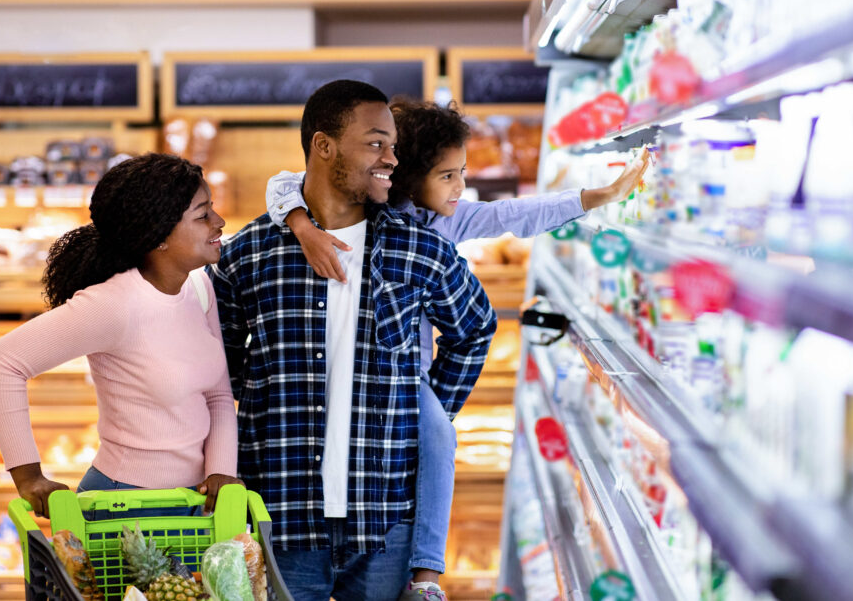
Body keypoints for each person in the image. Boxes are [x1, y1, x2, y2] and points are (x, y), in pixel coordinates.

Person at [265, 98, 649, 599]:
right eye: (448, 176)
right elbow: (281, 184)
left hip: (407, 379)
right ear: (407, 174)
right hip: (338, 373)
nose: (460, 187)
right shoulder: (364, 203)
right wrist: (301, 225)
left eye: (461, 174)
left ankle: (425, 571)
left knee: (440, 438)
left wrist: (596, 197)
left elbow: (514, 214)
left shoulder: (448, 222)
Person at [211, 80, 497, 601]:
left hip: (384, 524)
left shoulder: (419, 251)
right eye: (375, 143)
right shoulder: (249, 256)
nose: (392, 157)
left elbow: (475, 328)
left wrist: (428, 408)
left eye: (392, 144)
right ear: (324, 146)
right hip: (282, 520)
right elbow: (219, 369)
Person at [0, 154, 241, 519]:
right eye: (202, 216)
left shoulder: (198, 287)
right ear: (159, 236)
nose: (219, 222)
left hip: (194, 504)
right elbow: (0, 363)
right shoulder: (114, 304)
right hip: (126, 506)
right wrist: (28, 476)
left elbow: (217, 394)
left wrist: (221, 473)